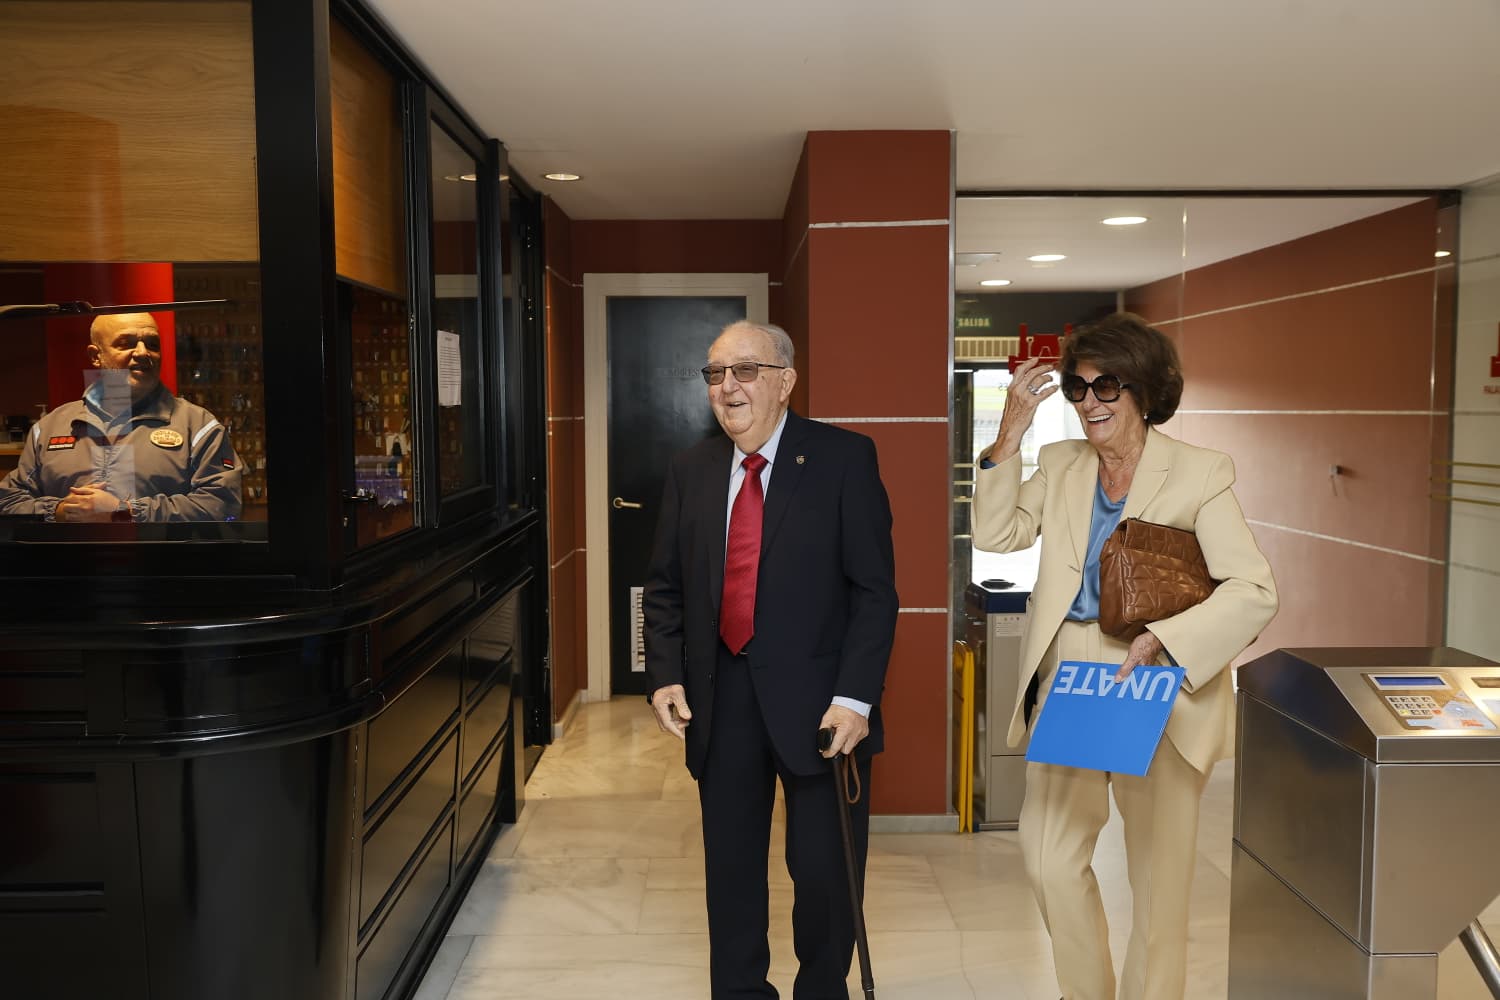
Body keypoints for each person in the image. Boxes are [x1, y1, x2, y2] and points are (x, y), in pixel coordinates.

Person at [972, 313, 1277, 1000]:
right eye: (1078, 389)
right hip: (1075, 677)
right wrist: (1009, 437)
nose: (1091, 404)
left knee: (1158, 891)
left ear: (1144, 390)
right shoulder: (1060, 463)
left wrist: (1169, 638)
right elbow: (997, 533)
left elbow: (1255, 590)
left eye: (1107, 386)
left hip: (1160, 676)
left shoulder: (1200, 472)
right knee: (1048, 857)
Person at [643, 319, 898, 999]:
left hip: (821, 706)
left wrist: (855, 698)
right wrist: (664, 672)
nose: (728, 388)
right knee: (730, 872)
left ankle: (821, 989)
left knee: (821, 873)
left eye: (745, 371)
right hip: (719, 699)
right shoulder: (690, 470)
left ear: (785, 382)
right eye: (715, 374)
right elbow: (664, 586)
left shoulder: (844, 460)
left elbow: (875, 594)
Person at [0, 312, 242, 522]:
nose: (142, 352)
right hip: (72, 570)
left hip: (160, 570)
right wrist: (60, 511)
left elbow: (221, 505)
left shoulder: (198, 426)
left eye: (153, 344)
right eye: (126, 344)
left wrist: (125, 512)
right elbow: (8, 502)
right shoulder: (51, 426)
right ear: (96, 356)